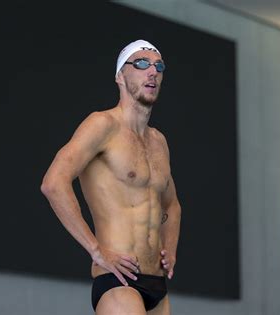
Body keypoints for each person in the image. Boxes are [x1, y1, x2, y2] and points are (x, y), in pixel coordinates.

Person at [40, 39, 181, 315]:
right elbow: (53, 183)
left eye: (158, 66)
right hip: (119, 281)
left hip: (157, 284)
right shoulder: (102, 125)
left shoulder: (159, 142)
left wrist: (170, 249)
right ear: (120, 76)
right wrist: (96, 249)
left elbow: (172, 205)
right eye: (141, 64)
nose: (152, 71)